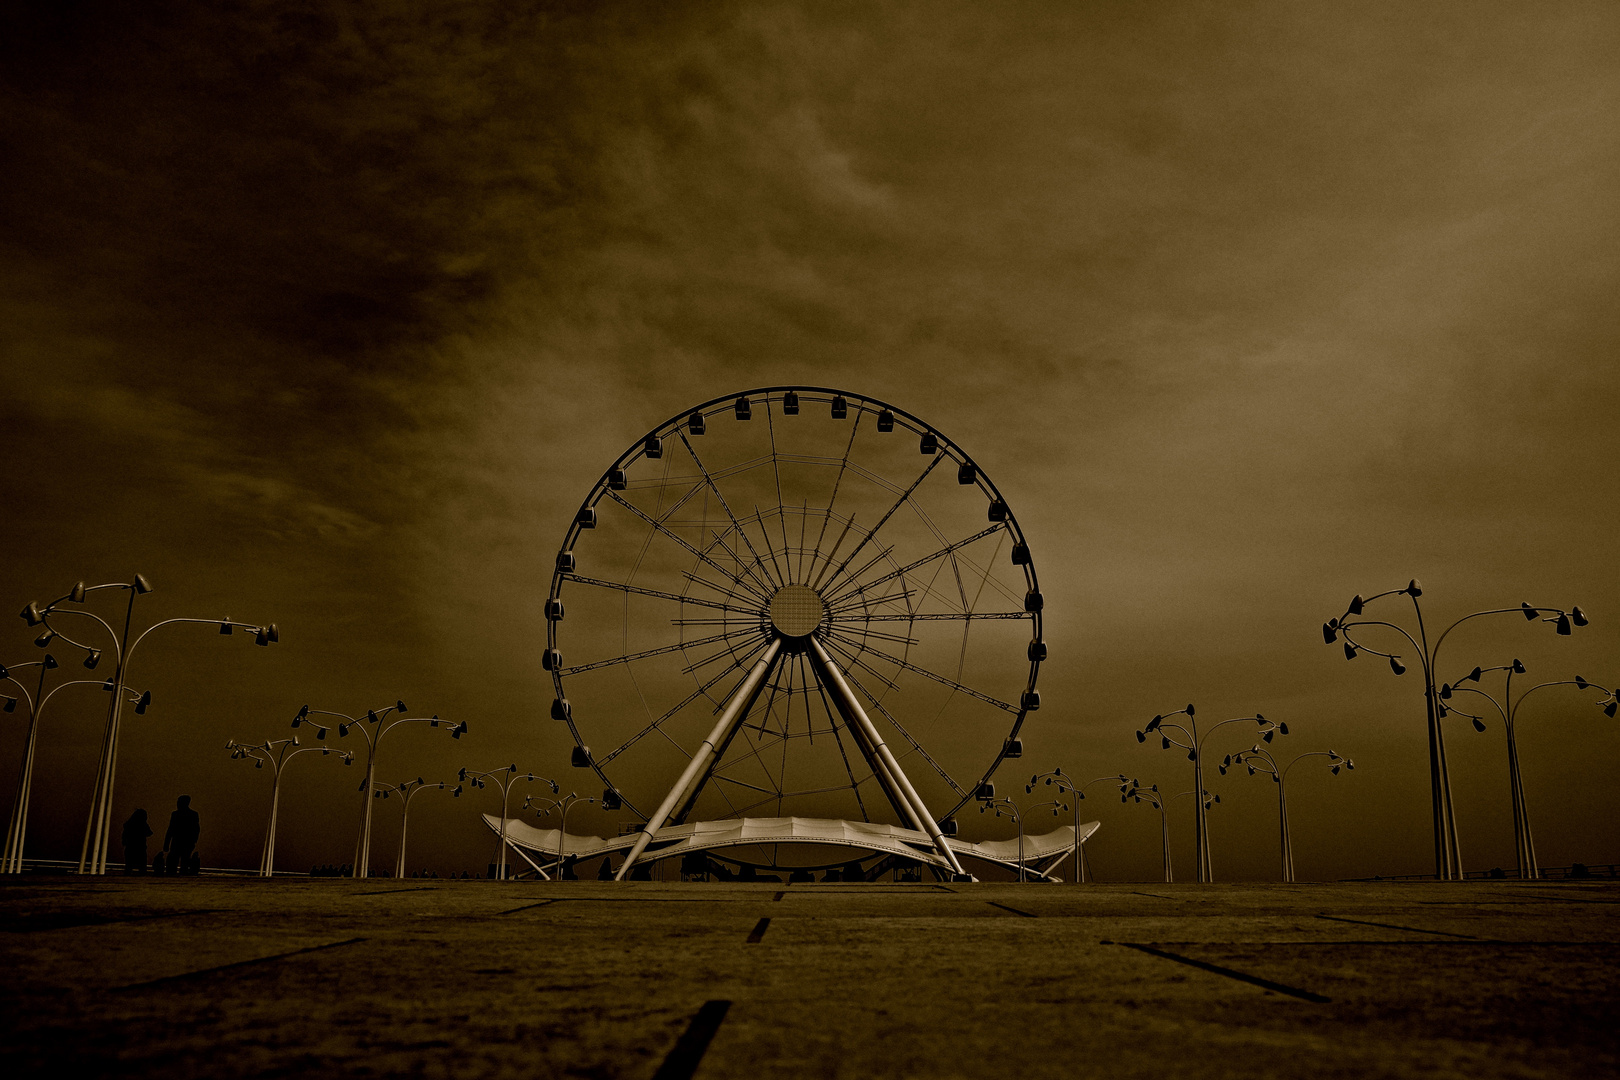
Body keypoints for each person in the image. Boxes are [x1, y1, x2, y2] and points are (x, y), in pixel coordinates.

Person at [163, 795, 200, 876]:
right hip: (185, 842)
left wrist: (166, 843)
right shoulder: (192, 814)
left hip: (180, 841)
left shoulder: (176, 814)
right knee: (182, 861)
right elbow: (196, 829)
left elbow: (171, 829)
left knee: (179, 861)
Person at [121, 809, 152, 874]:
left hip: (130, 846)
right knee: (142, 865)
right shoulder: (143, 824)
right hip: (141, 846)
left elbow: (124, 834)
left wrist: (124, 841)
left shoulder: (129, 824)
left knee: (129, 864)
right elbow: (149, 833)